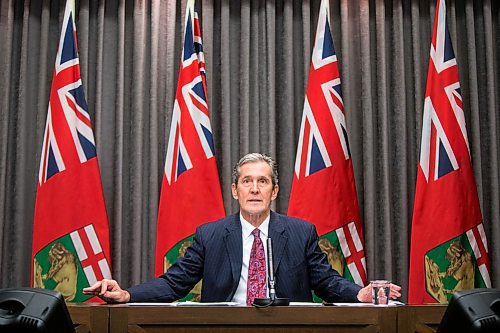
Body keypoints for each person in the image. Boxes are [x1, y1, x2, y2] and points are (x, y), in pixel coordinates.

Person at [83, 153, 401, 304]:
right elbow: (174, 284)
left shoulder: (301, 232)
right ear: (235, 191)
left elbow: (326, 282)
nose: (254, 189)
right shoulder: (210, 235)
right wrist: (126, 294)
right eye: (246, 182)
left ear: (274, 191)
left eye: (262, 182)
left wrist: (359, 293)